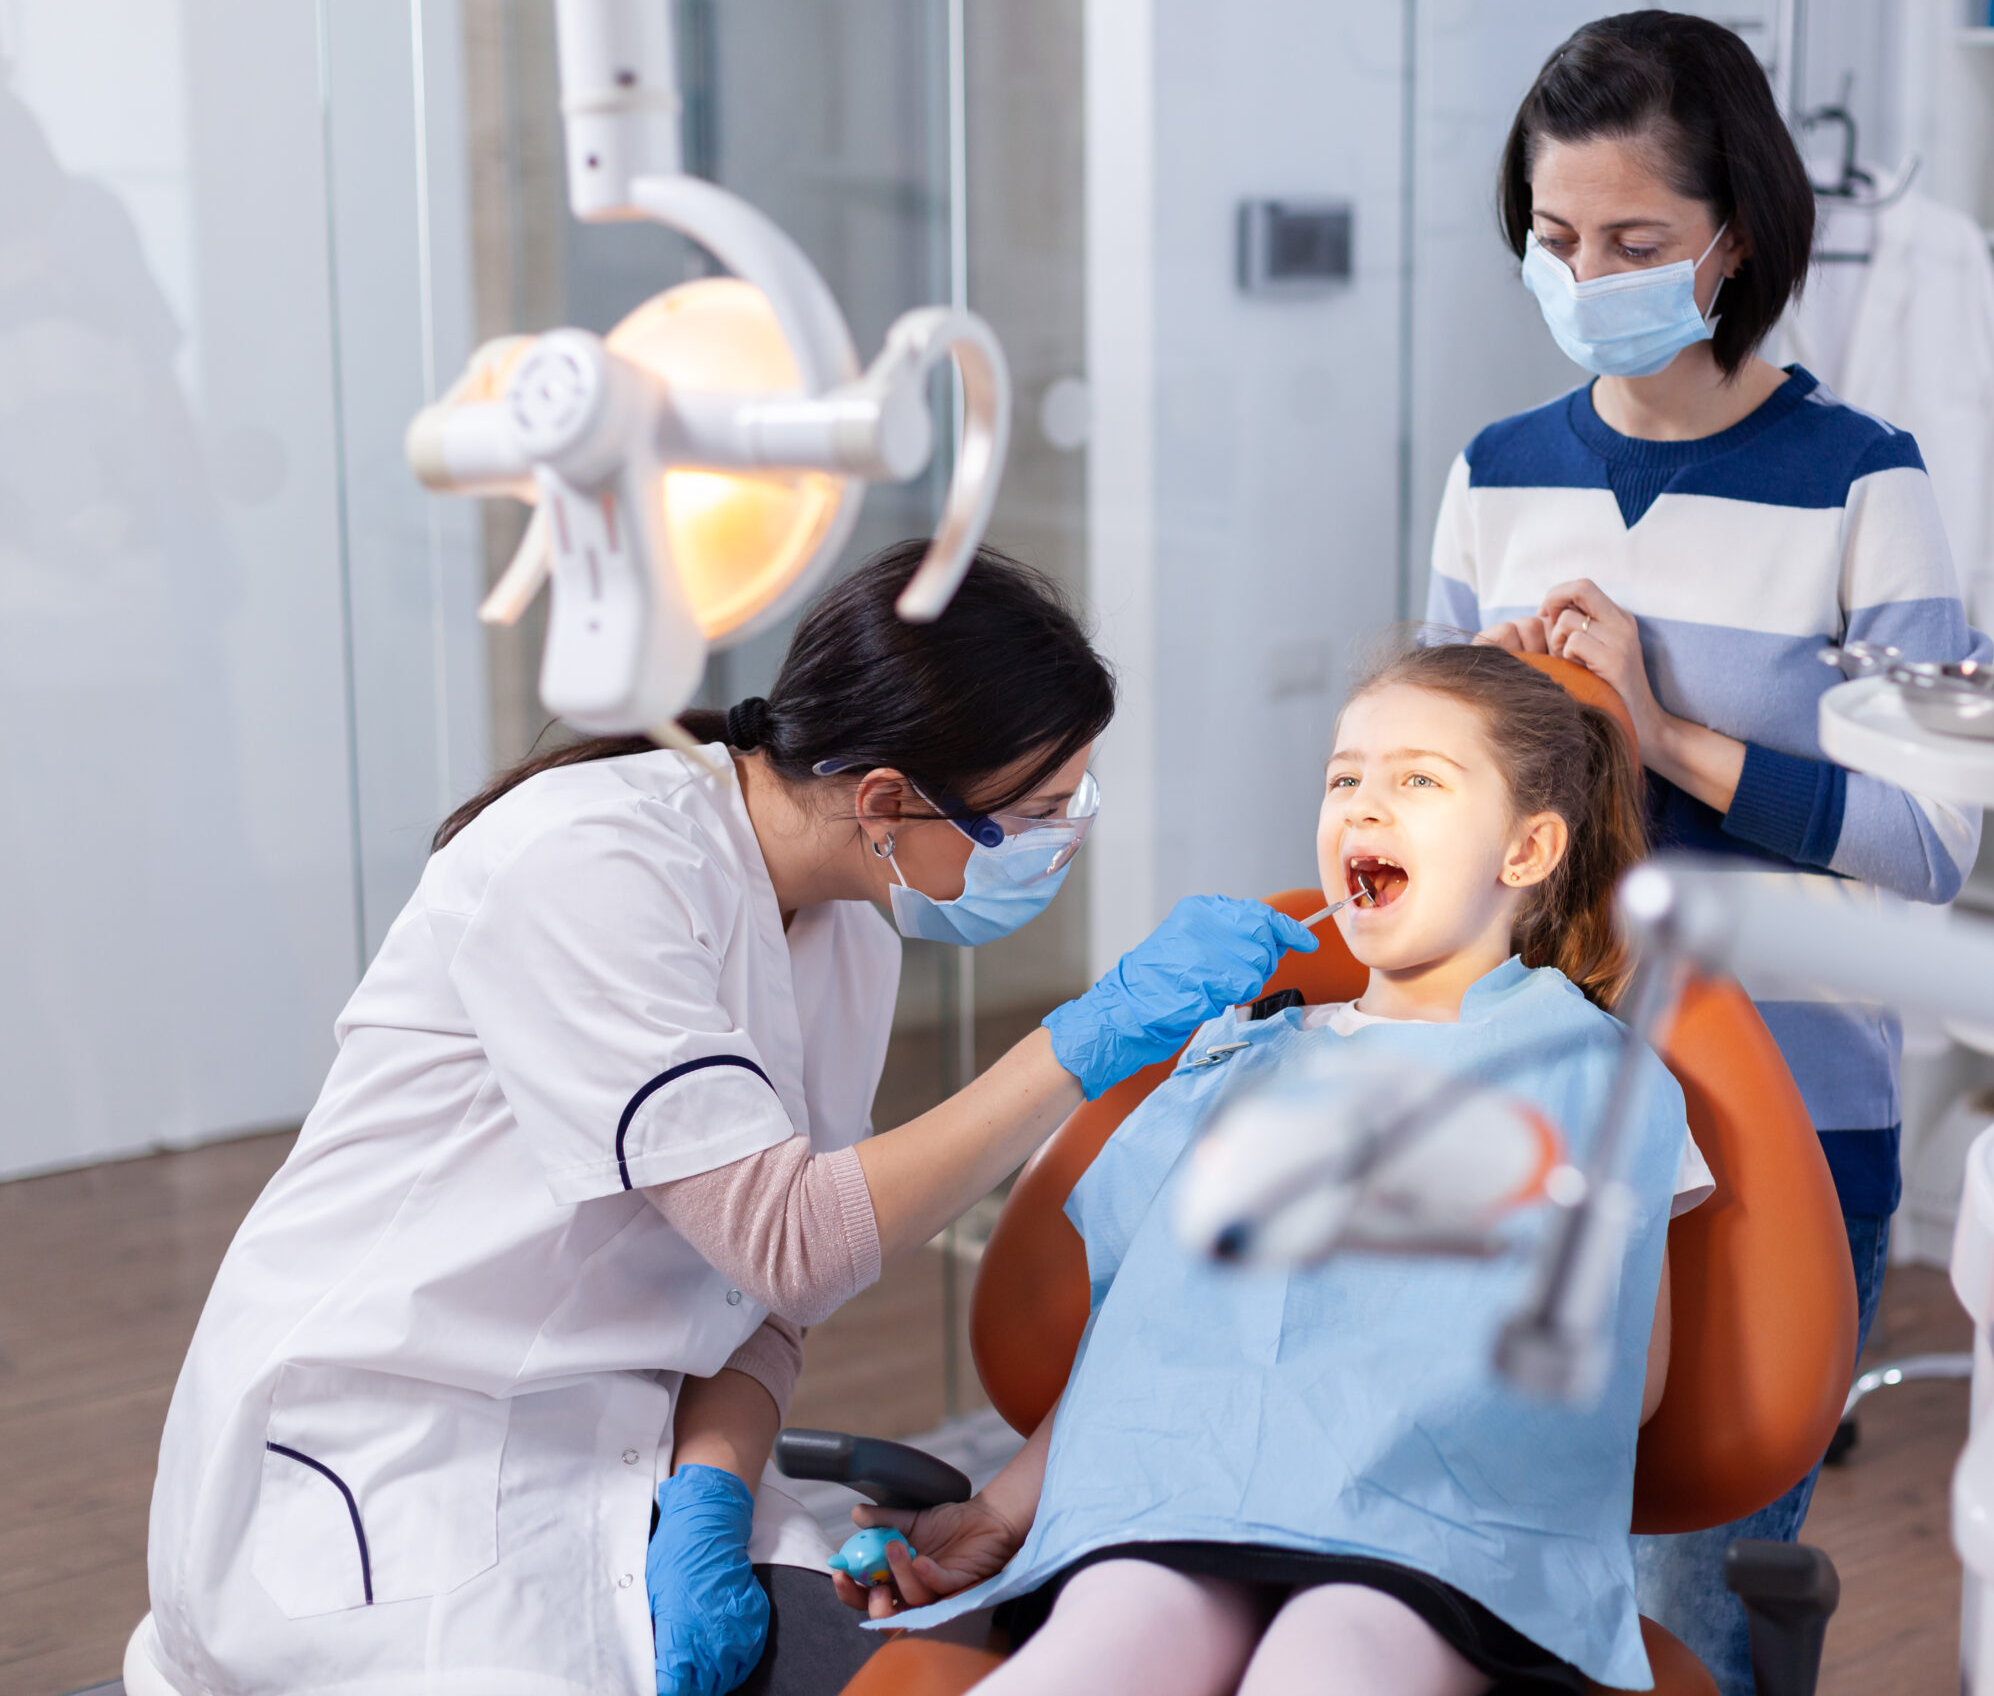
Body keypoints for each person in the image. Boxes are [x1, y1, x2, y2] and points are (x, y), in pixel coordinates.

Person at [141, 542, 1322, 1696]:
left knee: (882, 1675)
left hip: (625, 1448)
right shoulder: (590, 863)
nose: (1062, 844)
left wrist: (710, 1493)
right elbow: (791, 1235)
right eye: (1040, 815)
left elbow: (762, 1298)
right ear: (885, 801)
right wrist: (1085, 1037)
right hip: (392, 1450)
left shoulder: (851, 920)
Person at [1423, 13, 1987, 1692]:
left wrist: (1659, 731)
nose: (1587, 273)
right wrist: (1518, 738)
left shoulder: (1864, 484)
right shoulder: (1495, 479)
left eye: (1635, 243)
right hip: (1535, 1097)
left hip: (1785, 1115)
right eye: (1556, 239)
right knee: (1505, 1589)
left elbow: (1926, 839)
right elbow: (1436, 810)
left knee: (1680, 1613)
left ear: (1733, 238)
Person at [832, 645, 1714, 1695]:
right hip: (1171, 1511)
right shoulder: (1239, 1056)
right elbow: (1147, 1344)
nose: (1364, 808)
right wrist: (995, 1515)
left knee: (1337, 1651)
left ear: (1525, 850)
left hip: (1428, 1545)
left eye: (1417, 780)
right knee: (1109, 1638)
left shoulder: (1591, 1071)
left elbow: (1627, 1374)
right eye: (1344, 778)